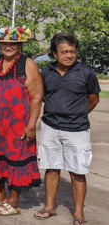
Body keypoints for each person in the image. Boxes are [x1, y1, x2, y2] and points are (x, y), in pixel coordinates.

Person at [34, 33, 100, 225]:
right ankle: (49, 207)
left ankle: (79, 213)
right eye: (64, 52)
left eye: (72, 51)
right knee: (51, 168)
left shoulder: (86, 73)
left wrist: (78, 113)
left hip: (77, 130)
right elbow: (42, 96)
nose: (69, 55)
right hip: (50, 127)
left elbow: (94, 98)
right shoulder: (46, 73)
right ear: (55, 54)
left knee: (77, 170)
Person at [0, 26, 44, 216]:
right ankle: (0, 195)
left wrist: (31, 125)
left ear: (20, 44)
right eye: (4, 43)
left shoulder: (28, 64)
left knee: (17, 161)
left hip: (18, 127)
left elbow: (37, 97)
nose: (8, 46)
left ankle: (13, 202)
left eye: (13, 43)